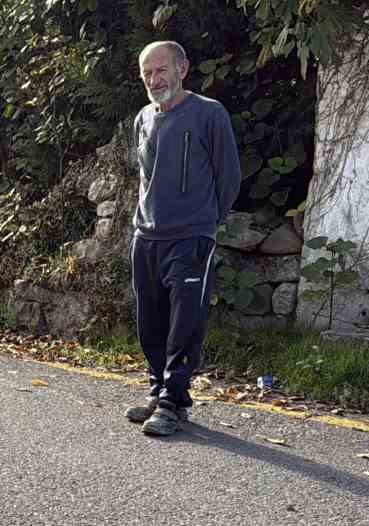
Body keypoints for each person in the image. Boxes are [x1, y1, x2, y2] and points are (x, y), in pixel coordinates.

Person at [127, 40, 240, 437]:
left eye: (162, 70)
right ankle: (158, 391)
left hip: (191, 236)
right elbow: (144, 178)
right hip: (147, 234)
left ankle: (175, 399)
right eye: (147, 74)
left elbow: (229, 179)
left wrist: (205, 222)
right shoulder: (143, 117)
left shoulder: (209, 114)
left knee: (185, 321)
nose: (155, 80)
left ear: (182, 69)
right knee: (150, 320)